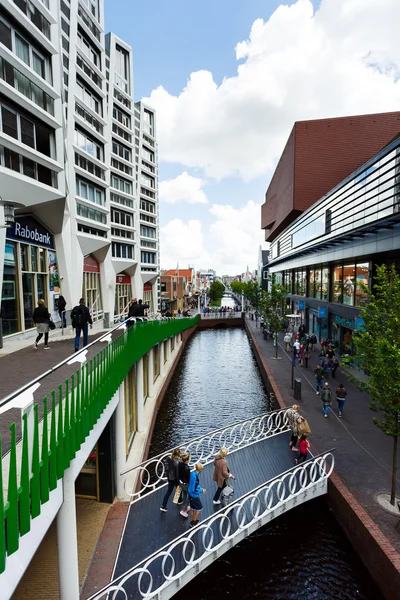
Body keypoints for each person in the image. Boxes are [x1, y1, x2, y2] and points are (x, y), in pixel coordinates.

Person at [160, 448, 181, 512]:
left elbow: (166, 468)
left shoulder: (168, 459)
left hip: (169, 477)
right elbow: (177, 473)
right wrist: (179, 479)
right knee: (179, 488)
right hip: (174, 478)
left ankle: (163, 506)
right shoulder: (177, 463)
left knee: (169, 491)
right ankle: (178, 500)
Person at [188, 462, 206, 527]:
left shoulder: (193, 474)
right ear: (200, 470)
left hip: (190, 494)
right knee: (199, 509)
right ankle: (194, 523)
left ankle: (191, 521)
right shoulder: (195, 477)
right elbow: (194, 489)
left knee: (192, 508)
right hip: (194, 496)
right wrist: (201, 490)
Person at [178, 453, 191, 517]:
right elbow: (188, 478)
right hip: (186, 484)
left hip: (180, 482)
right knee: (189, 496)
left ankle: (185, 507)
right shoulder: (187, 469)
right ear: (186, 461)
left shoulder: (180, 464)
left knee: (184, 495)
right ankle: (183, 510)